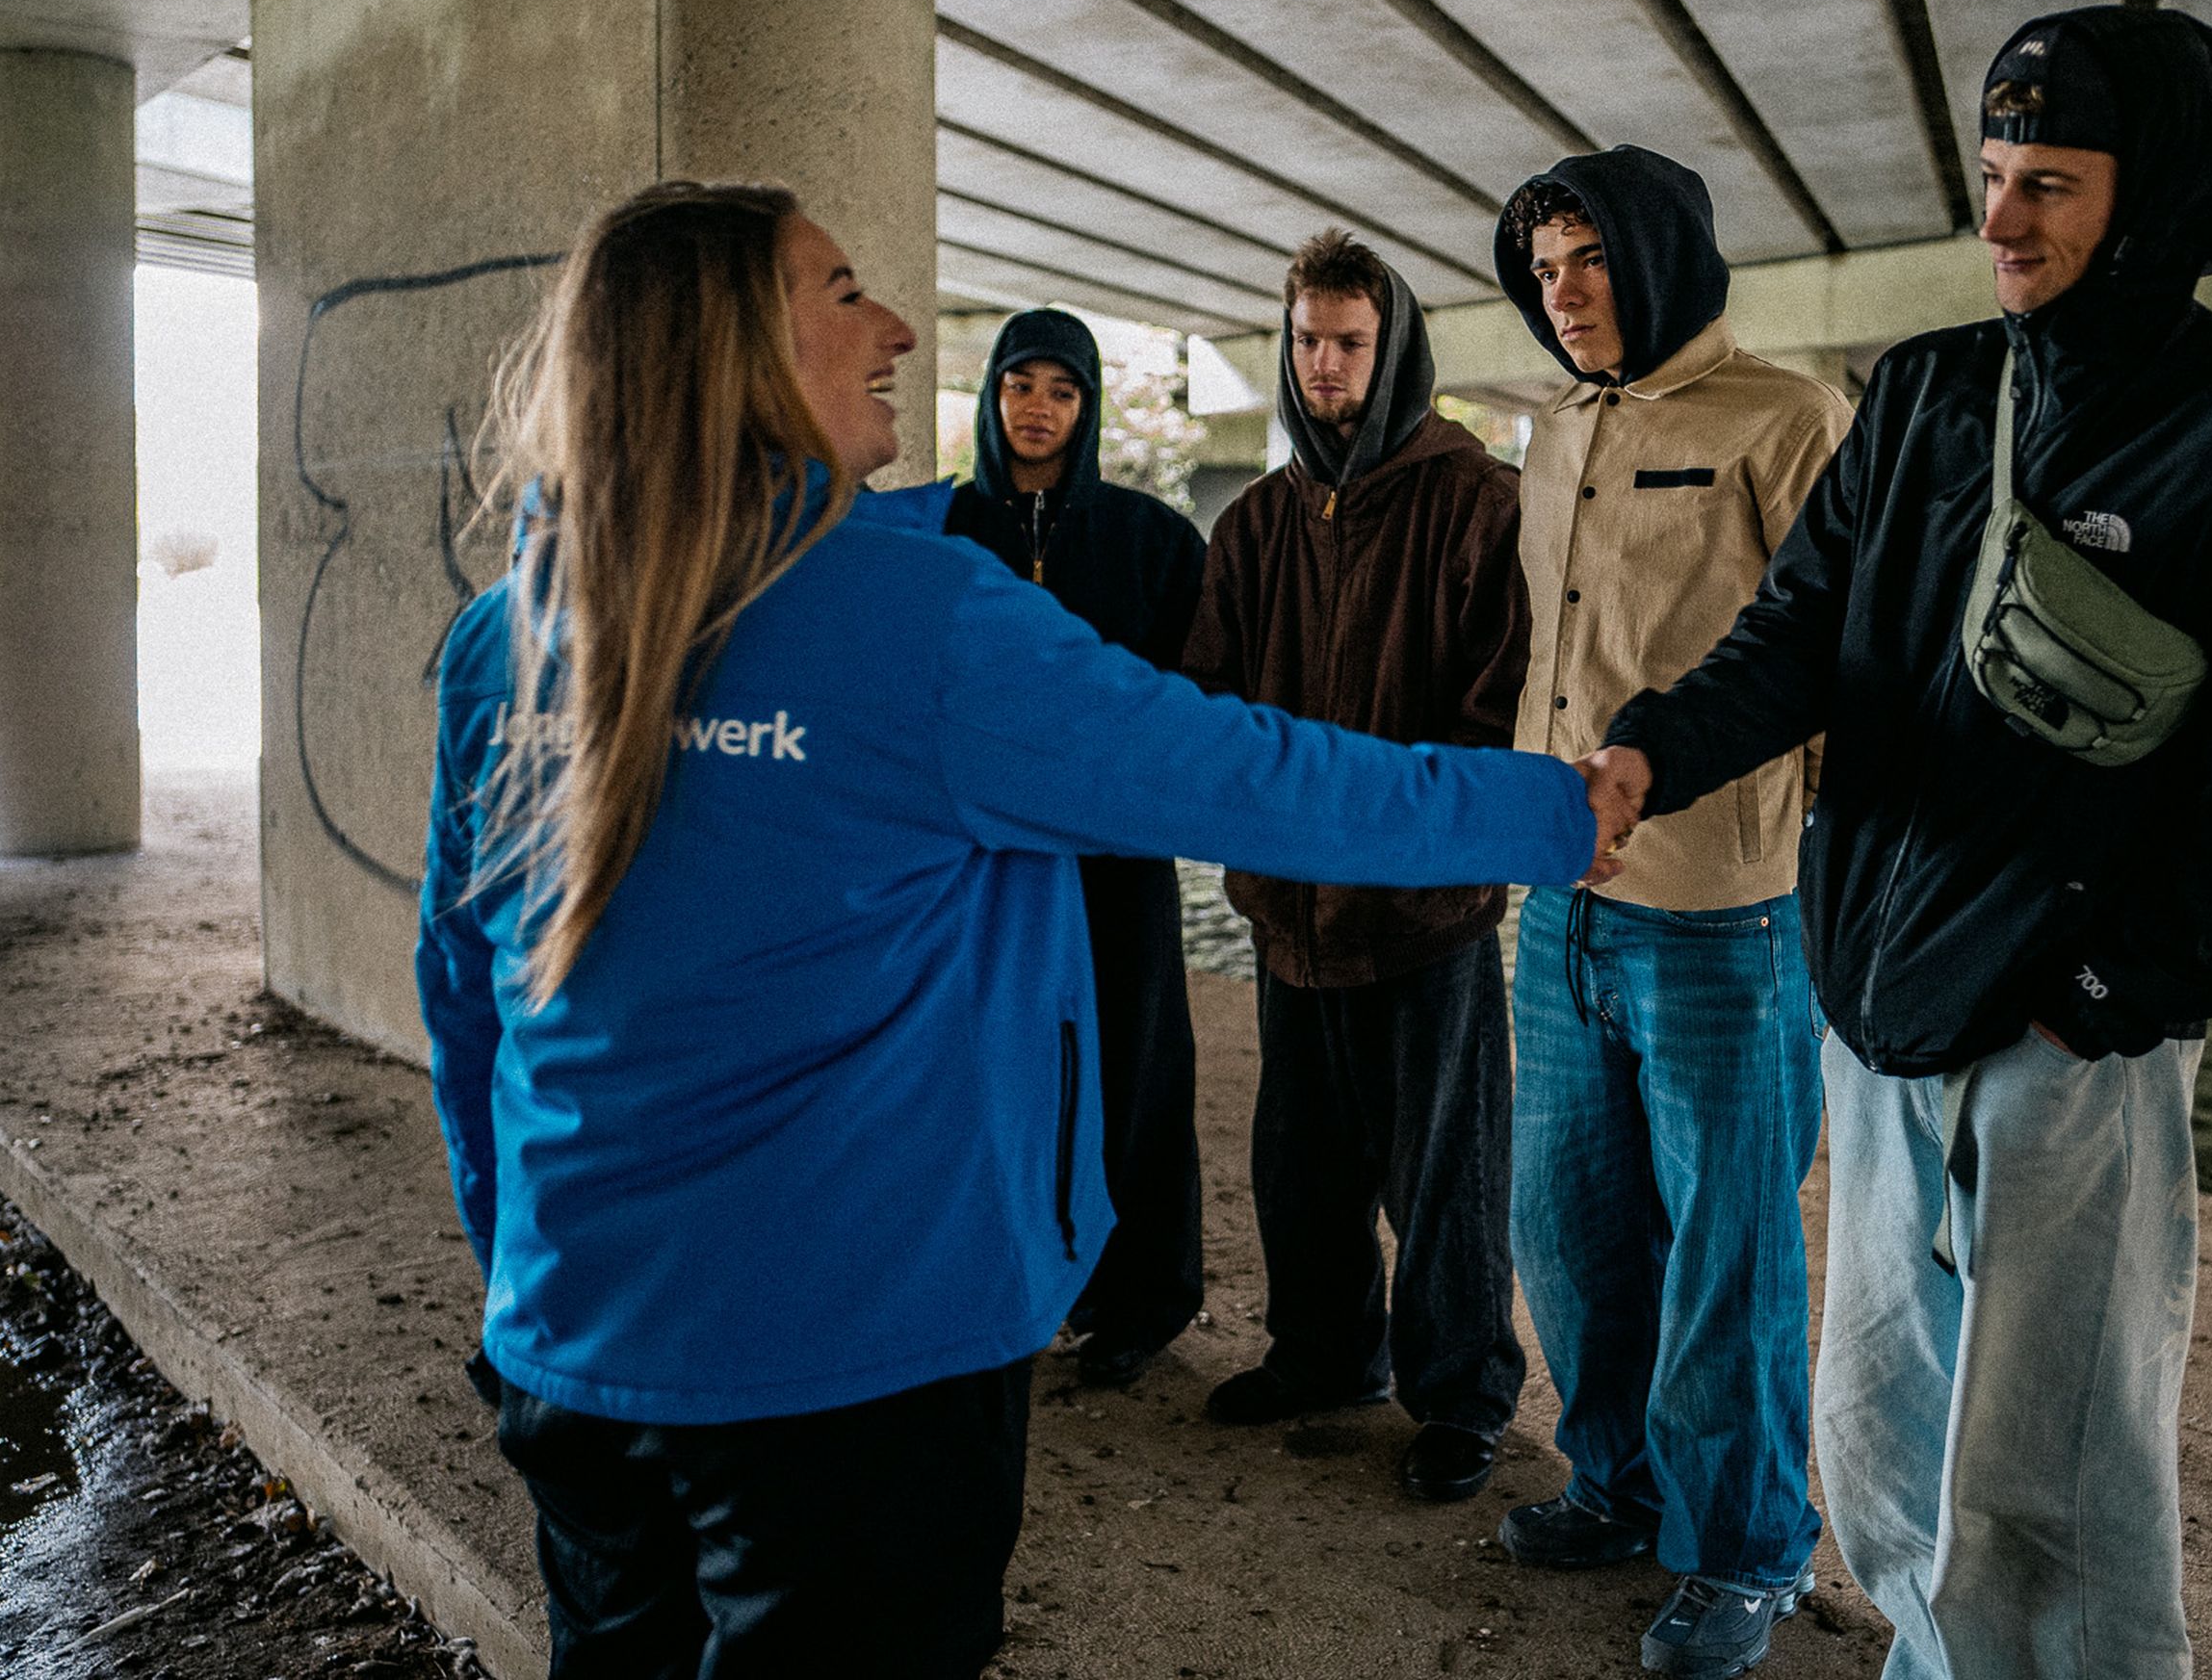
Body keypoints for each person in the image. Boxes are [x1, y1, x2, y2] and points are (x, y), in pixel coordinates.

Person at [416, 182, 1627, 1679]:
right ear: (736, 348)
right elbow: (1254, 776)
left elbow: (464, 998)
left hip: (570, 1355)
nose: (899, 327)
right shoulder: (920, 621)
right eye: (843, 287)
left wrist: (519, 1265)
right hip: (854, 1374)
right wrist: (1552, 815)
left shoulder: (506, 631)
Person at [1587, 8, 2212, 1679]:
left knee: (2056, 1492)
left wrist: (2095, 992)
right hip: (1872, 1016)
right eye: (1995, 175)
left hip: (2065, 1046)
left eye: (2053, 184)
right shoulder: (1931, 392)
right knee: (1878, 1445)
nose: (2000, 221)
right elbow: (1794, 635)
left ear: (2152, 198)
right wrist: (1648, 748)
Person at [1489, 143, 1851, 1679]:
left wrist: (1811, 851)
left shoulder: (1788, 415)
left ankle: (1746, 1552)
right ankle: (1619, 1483)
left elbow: (1843, 652)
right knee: (1568, 1230)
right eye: (1546, 268)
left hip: (1726, 914)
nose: (1566, 296)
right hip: (1557, 908)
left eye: (1591, 261)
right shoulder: (1554, 427)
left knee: (1728, 1255)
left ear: (1663, 254)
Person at [1180, 228, 1531, 1506]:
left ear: (1396, 353)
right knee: (1302, 1159)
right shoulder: (1257, 523)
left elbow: (1499, 714)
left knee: (1444, 1171)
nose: (1324, 365)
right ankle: (1327, 1357)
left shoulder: (1475, 502)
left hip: (1423, 918)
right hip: (1289, 915)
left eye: (1350, 344)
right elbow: (1208, 702)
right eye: (1308, 341)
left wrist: (1415, 848)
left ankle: (1463, 1397)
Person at [946, 307, 1208, 1389]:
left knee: (1135, 1060)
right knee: (995, 1066)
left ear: (1087, 407)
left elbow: (1199, 693)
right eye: (1020, 385)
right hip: (985, 863)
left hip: (1114, 857)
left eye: (1061, 389)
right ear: (993, 396)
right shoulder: (947, 530)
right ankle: (1012, 1276)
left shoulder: (1149, 538)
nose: (1038, 407)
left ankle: (1141, 1298)